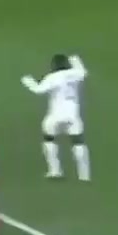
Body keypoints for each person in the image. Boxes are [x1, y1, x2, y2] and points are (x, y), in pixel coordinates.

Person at [22, 53, 89, 181]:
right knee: (78, 142)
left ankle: (55, 170)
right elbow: (83, 72)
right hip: (73, 115)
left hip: (56, 115)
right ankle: (84, 175)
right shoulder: (76, 73)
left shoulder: (53, 77)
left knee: (49, 139)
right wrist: (75, 59)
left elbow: (38, 90)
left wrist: (28, 81)